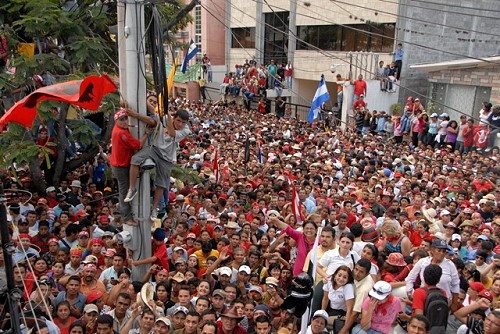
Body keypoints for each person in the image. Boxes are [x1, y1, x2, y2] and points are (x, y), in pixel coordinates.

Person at [124, 107, 191, 221]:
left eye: (183, 122)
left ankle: (154, 208)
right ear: (175, 118)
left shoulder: (185, 130)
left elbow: (171, 133)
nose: (180, 124)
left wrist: (169, 119)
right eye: (178, 121)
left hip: (167, 158)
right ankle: (132, 188)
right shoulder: (164, 118)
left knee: (161, 183)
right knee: (135, 159)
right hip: (154, 149)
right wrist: (135, 114)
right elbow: (152, 118)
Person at [110, 106, 154, 226]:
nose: (125, 121)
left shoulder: (118, 129)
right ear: (117, 121)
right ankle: (126, 217)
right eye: (122, 119)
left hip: (120, 164)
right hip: (121, 166)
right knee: (124, 192)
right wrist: (146, 133)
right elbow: (138, 145)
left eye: (126, 119)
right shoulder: (122, 133)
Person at [406, 239, 460, 312]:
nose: (441, 253)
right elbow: (410, 278)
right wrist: (410, 293)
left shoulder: (450, 265)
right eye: (439, 250)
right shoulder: (423, 262)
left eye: (444, 251)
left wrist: (454, 304)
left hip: (443, 301)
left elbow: (455, 285)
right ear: (432, 250)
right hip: (424, 299)